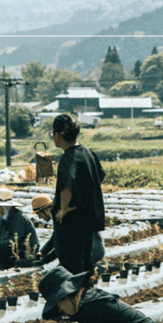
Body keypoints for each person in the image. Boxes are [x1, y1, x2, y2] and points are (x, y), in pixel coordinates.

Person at [50, 114, 106, 275]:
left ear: (58, 134)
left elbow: (66, 185)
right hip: (88, 221)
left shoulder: (68, 157)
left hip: (72, 223)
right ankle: (86, 296)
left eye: (53, 133)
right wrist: (85, 194)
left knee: (72, 267)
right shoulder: (88, 153)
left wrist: (64, 208)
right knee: (86, 265)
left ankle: (76, 297)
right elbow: (99, 176)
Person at [30, 194, 105, 268]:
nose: (39, 217)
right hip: (87, 247)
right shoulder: (58, 215)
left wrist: (44, 261)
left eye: (38, 213)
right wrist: (42, 252)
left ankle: (94, 271)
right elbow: (54, 239)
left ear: (46, 209)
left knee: (65, 269)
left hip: (94, 248)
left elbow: (61, 246)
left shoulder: (62, 216)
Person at [0, 188, 39, 268]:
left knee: (4, 251)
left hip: (22, 250)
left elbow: (15, 241)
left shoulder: (19, 217)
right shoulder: (3, 219)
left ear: (7, 206)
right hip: (7, 247)